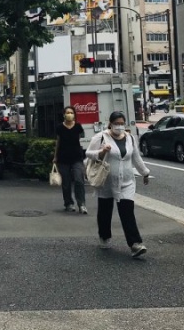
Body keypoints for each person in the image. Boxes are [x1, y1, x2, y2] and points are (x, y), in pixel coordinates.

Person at [85, 110, 151, 258]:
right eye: (116, 124)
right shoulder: (101, 137)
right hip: (106, 181)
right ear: (110, 124)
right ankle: (104, 236)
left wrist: (145, 173)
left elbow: (136, 158)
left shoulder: (130, 138)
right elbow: (89, 153)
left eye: (122, 123)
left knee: (127, 211)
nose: (119, 126)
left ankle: (135, 244)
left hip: (127, 181)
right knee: (105, 211)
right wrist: (101, 152)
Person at [52, 106, 87, 214]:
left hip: (77, 157)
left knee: (79, 180)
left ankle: (81, 204)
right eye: (67, 112)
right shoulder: (59, 127)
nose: (69, 114)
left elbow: (83, 139)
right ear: (63, 115)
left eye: (71, 112)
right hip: (63, 158)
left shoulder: (78, 126)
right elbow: (58, 142)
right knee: (66, 183)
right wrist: (55, 156)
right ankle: (68, 203)